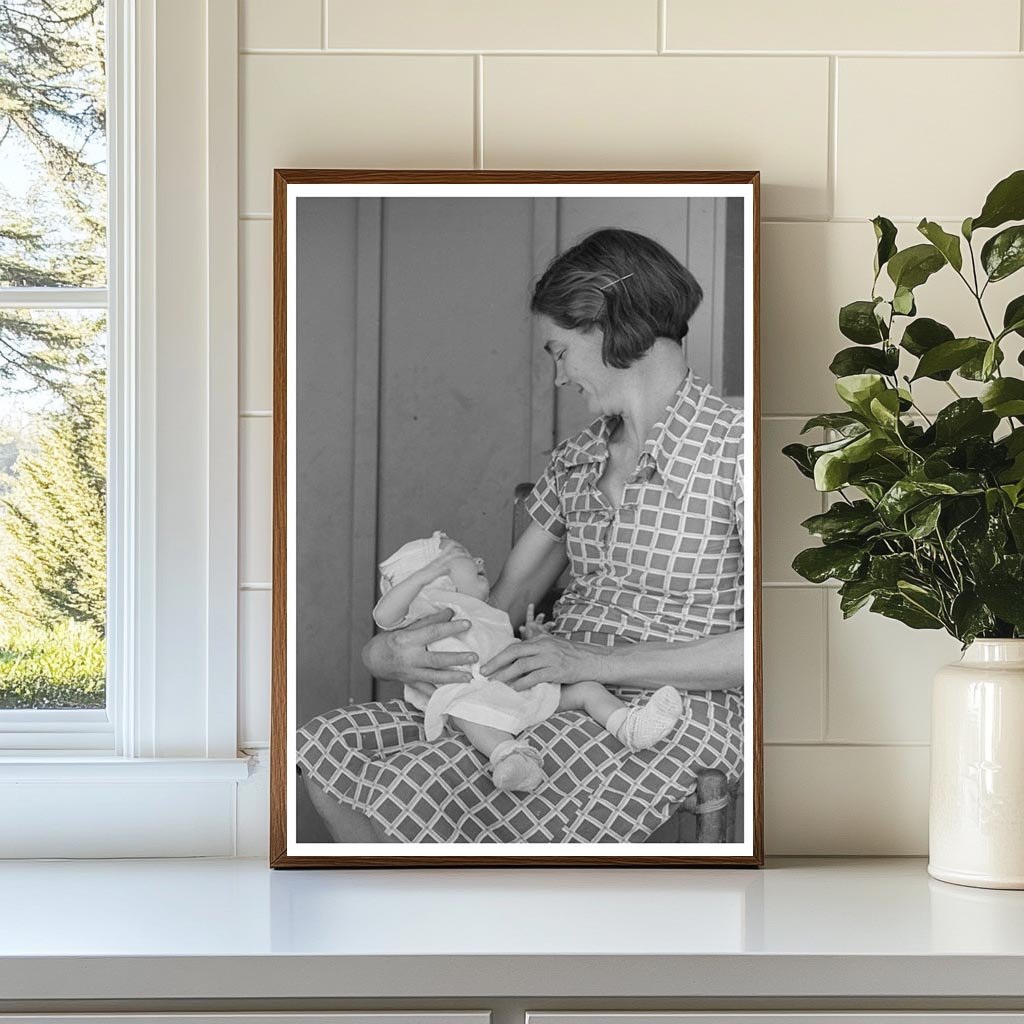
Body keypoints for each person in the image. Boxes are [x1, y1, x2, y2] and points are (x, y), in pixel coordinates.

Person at [303, 225, 745, 843]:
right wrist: (384, 653)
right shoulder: (576, 461)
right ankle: (420, 929)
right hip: (544, 690)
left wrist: (587, 660)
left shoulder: (739, 448)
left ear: (611, 326)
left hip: (672, 710)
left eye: (561, 351)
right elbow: (497, 612)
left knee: (441, 789)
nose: (560, 378)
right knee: (332, 744)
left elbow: (763, 650)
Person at [373, 530, 684, 793]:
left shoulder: (481, 612)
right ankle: (510, 757)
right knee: (468, 714)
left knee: (587, 688)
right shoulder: (432, 608)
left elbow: (500, 648)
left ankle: (630, 726)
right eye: (463, 557)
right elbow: (384, 616)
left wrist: (533, 640)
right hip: (472, 696)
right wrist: (426, 573)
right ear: (436, 578)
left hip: (518, 688)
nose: (479, 560)